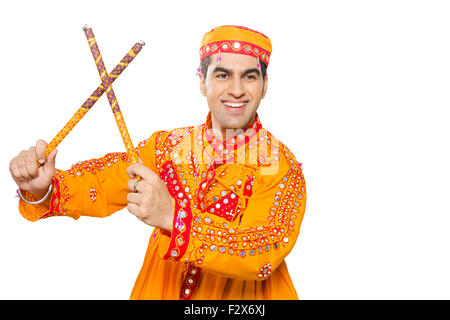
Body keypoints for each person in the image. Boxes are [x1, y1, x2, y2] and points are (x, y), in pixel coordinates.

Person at [9, 25, 307, 300]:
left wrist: (173, 217)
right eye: (222, 75)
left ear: (265, 85)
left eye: (249, 76)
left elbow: (261, 252)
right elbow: (100, 184)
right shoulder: (167, 147)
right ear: (202, 83)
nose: (237, 90)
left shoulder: (278, 165)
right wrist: (44, 187)